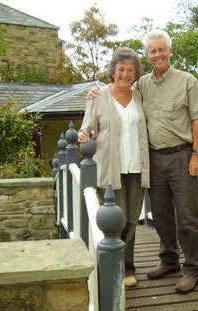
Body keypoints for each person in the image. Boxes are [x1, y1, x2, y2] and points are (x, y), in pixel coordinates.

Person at [87, 29, 198, 294]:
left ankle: (193, 268)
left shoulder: (187, 80)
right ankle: (169, 260)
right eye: (152, 51)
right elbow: (115, 90)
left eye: (161, 49)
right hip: (153, 159)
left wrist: (196, 153)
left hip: (181, 155)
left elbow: (197, 118)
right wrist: (94, 92)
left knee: (187, 215)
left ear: (170, 51)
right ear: (148, 55)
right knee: (161, 214)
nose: (157, 55)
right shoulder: (142, 85)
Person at [78, 47, 150, 288]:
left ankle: (128, 267)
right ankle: (111, 266)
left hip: (137, 168)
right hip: (111, 169)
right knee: (116, 220)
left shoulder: (139, 96)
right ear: (113, 71)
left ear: (135, 73)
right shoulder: (98, 96)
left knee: (132, 220)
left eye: (130, 70)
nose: (126, 74)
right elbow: (86, 128)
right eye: (121, 69)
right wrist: (82, 135)